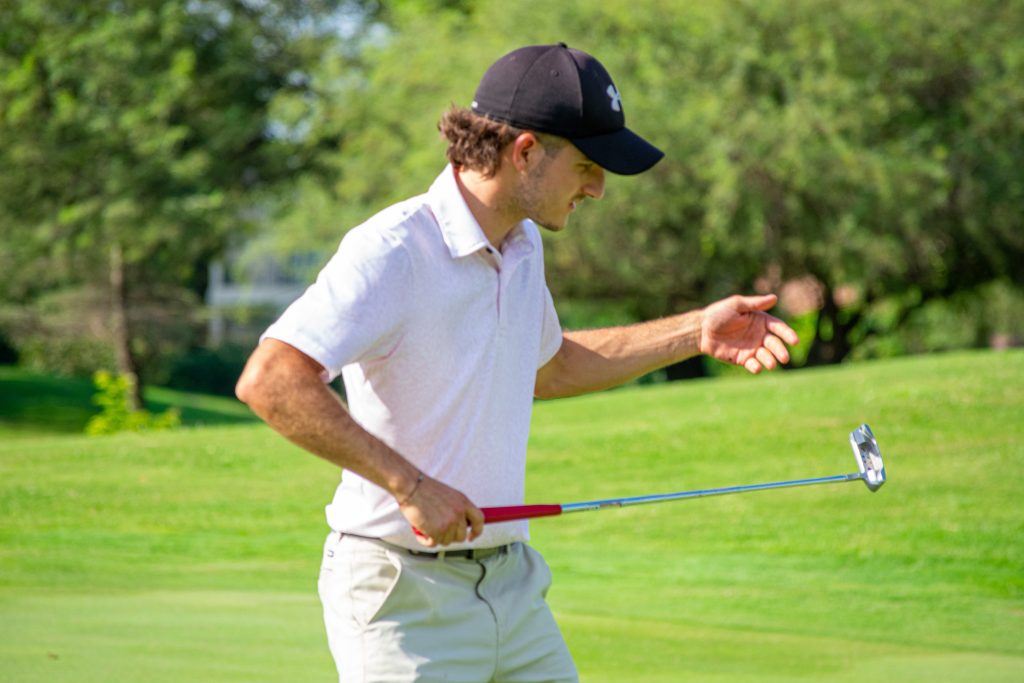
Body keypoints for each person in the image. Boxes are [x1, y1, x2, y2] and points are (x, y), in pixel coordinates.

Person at [236, 43, 799, 683]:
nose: (598, 189)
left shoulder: (522, 242)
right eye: (586, 166)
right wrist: (410, 486)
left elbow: (550, 368)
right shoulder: (394, 249)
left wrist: (694, 332)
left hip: (513, 587)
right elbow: (271, 379)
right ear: (525, 152)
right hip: (402, 597)